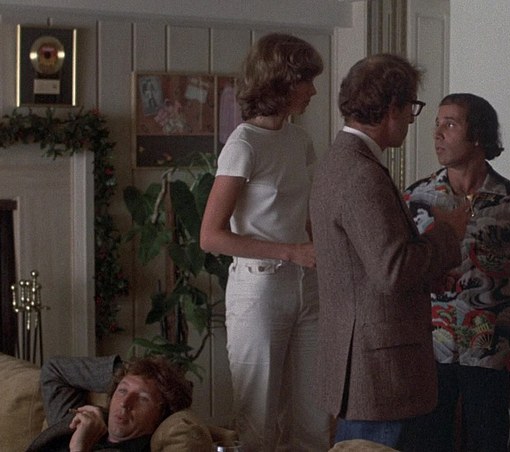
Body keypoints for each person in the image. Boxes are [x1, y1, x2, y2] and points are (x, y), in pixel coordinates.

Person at [309, 53, 469, 449]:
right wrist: (448, 232)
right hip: (377, 371)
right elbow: (392, 269)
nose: (413, 120)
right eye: (411, 107)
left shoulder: (339, 161)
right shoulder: (361, 173)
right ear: (391, 107)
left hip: (362, 361)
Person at [401, 93, 510, 452]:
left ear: (477, 135)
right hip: (430, 349)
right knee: (425, 443)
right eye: (437, 124)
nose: (438, 134)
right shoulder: (416, 198)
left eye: (450, 124)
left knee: (488, 443)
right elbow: (399, 269)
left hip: (489, 350)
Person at [199, 33, 330, 451]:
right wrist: (290, 251)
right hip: (259, 290)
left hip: (307, 286)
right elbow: (210, 236)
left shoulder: (299, 140)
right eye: (307, 81)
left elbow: (305, 214)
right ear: (282, 81)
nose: (313, 91)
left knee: (314, 417)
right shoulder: (243, 144)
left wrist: (320, 252)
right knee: (258, 420)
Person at [26, 354, 193, 452]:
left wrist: (80, 447)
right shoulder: (84, 422)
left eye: (143, 398)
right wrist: (125, 372)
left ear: (161, 413)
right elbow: (54, 370)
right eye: (122, 391)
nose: (125, 403)